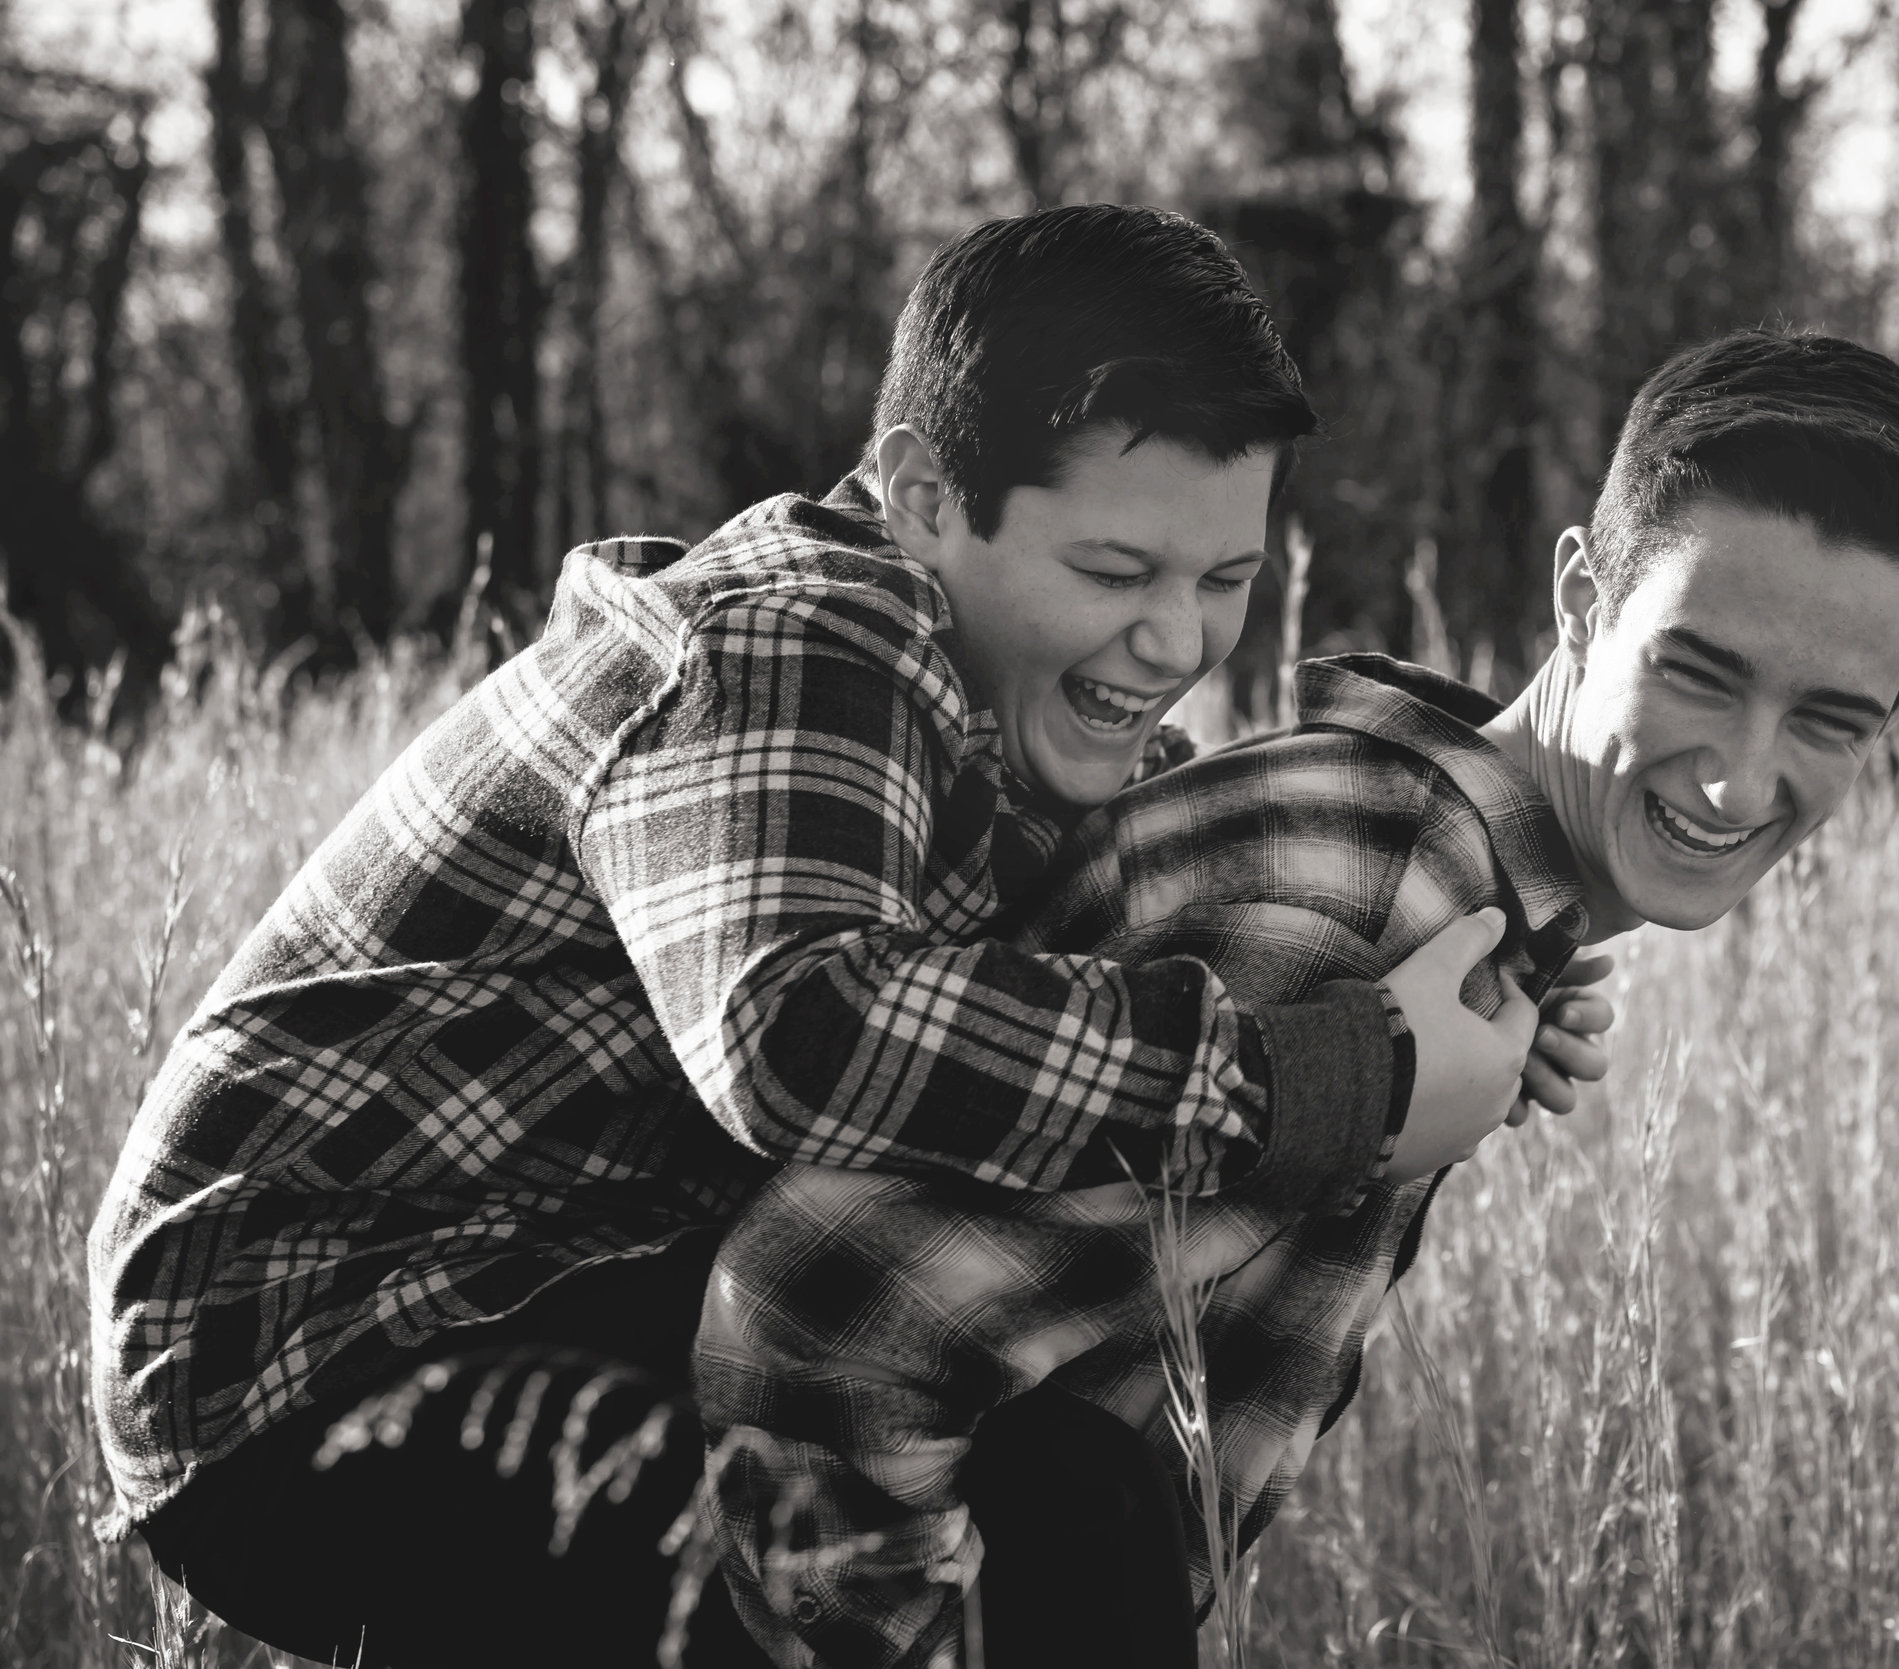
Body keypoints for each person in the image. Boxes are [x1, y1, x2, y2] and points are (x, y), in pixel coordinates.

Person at [85, 204, 1583, 1669]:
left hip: (540, 1279)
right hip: (315, 1349)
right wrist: (1323, 1075)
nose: (1178, 641)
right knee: (1056, 1503)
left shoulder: (992, 700)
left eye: (1227, 580)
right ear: (926, 495)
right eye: (1116, 573)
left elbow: (1125, 914)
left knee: (1009, 1459)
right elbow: (799, 1030)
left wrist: (1463, 978)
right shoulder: (790, 644)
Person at [695, 325, 1899, 1668]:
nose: (1738, 777)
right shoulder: (1371, 913)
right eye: (1698, 669)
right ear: (1580, 602)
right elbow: (816, 1310)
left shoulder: (1440, 886)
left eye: (1831, 718)